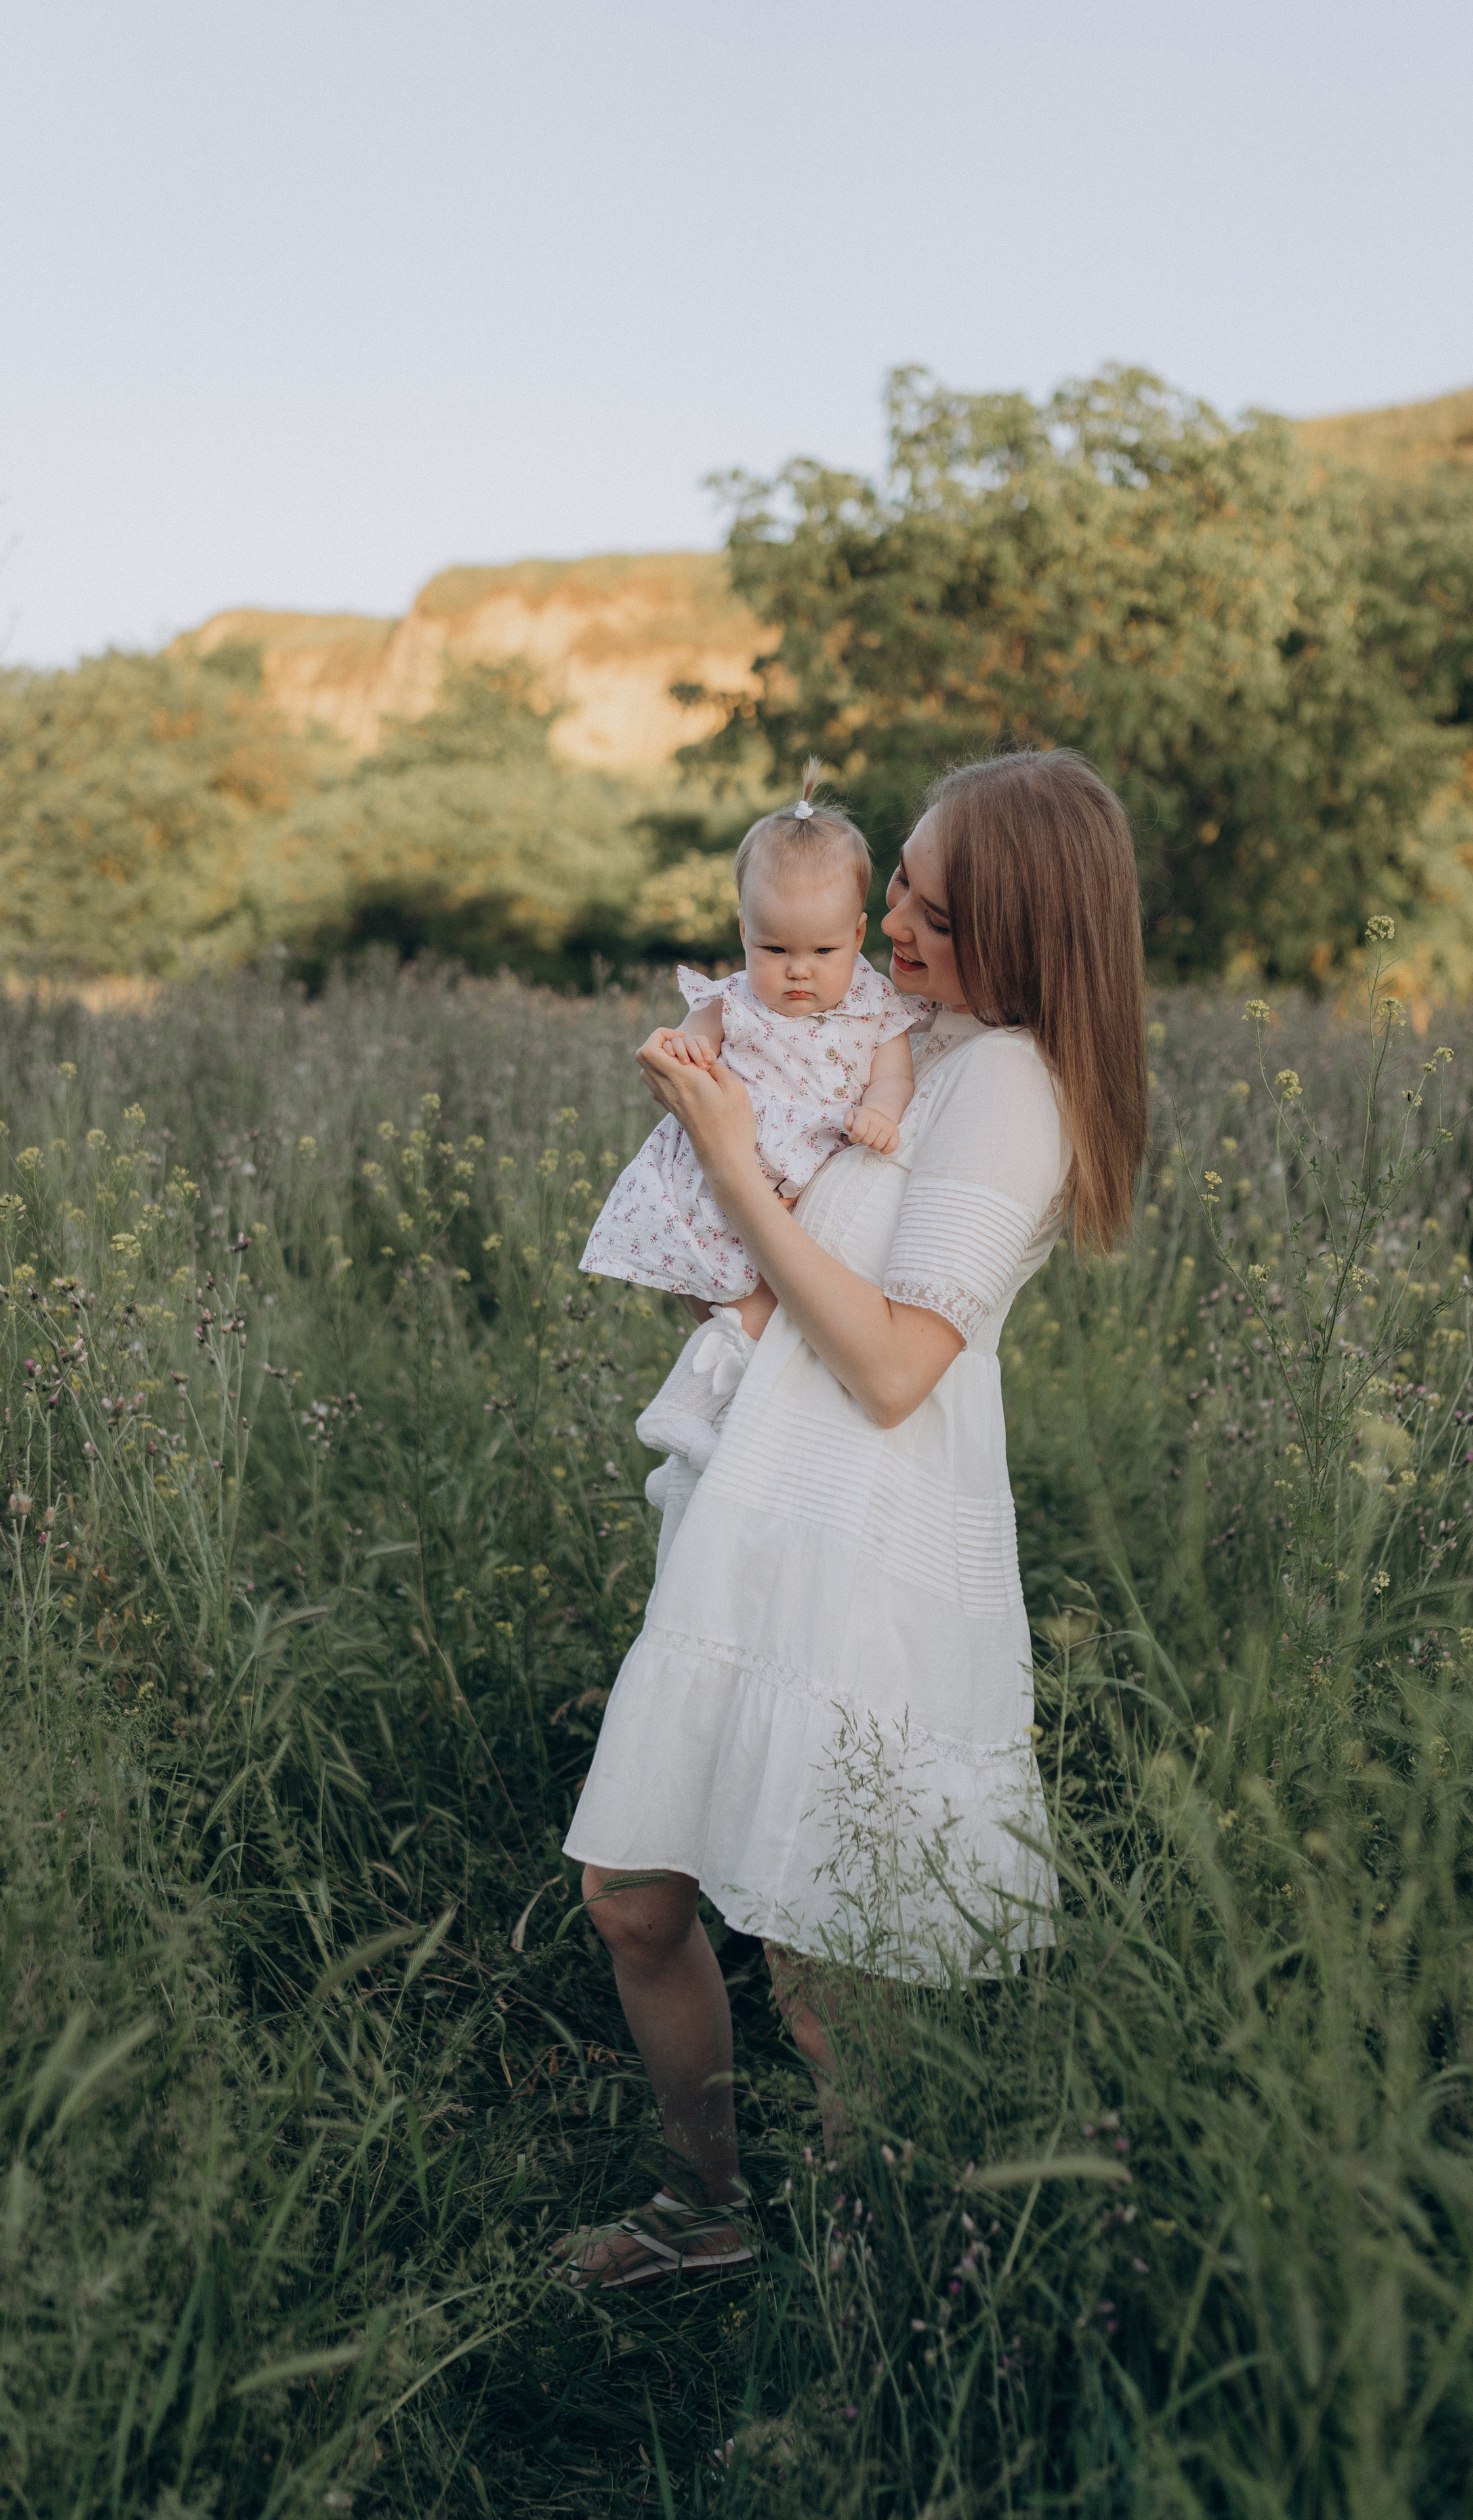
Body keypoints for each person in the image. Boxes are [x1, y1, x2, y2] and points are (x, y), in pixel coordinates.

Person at [554, 749, 1148, 2289]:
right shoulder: (908, 1037)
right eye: (896, 882)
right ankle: (713, 2212)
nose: (889, 922)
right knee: (636, 1896)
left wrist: (731, 1164)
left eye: (929, 908)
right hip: (754, 1503)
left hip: (854, 1537)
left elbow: (890, 1363)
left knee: (818, 1970)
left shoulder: (1010, 1084)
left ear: (1020, 927)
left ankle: (856, 2304)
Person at [580, 763, 926, 1448]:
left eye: (821, 950)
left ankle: (725, 1412)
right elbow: (689, 1049)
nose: (797, 970)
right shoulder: (732, 1001)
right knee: (752, 1311)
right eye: (774, 948)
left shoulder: (874, 1004)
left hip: (804, 1187)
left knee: (790, 1312)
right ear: (743, 932)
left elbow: (894, 1075)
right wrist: (683, 1052)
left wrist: (879, 1114)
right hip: (731, 1175)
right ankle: (697, 1408)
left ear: (858, 937)